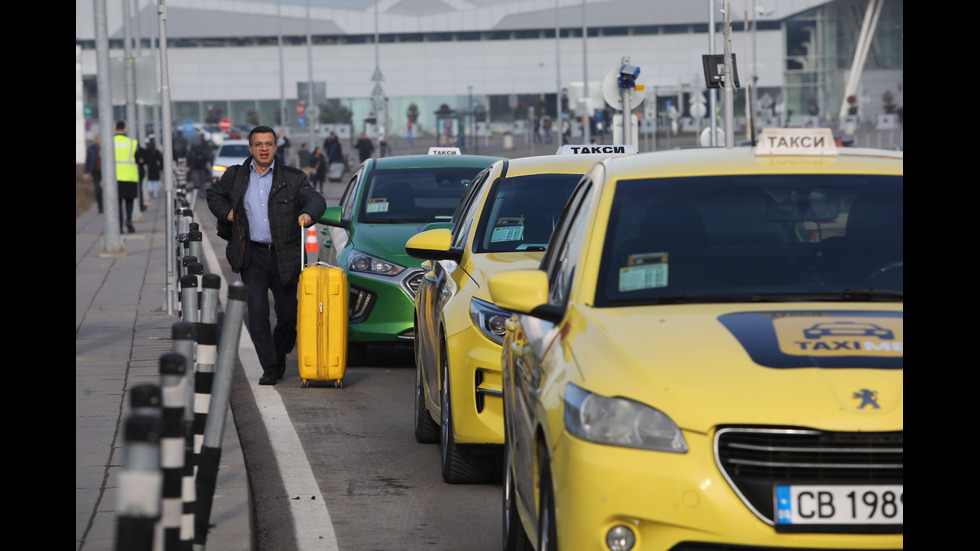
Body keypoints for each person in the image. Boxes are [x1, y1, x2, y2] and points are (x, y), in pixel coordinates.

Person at [206, 125, 327, 386]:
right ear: (250, 148)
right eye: (258, 144)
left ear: (276, 147)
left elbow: (316, 199)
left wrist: (308, 214)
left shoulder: (293, 178)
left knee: (287, 315)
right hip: (252, 254)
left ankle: (279, 353)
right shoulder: (236, 176)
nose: (263, 148)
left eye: (268, 144)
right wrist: (227, 213)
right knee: (258, 312)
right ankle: (270, 366)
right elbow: (213, 194)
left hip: (284, 254)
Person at [113, 120, 140, 234]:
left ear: (115, 129)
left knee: (117, 203)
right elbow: (138, 159)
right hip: (130, 176)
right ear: (125, 129)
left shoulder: (110, 142)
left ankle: (119, 225)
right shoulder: (132, 143)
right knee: (129, 201)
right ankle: (128, 219)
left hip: (115, 177)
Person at [83, 135, 103, 213]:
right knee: (98, 190)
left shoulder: (107, 148)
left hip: (105, 172)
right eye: (98, 139)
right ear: (96, 140)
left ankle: (106, 205)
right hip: (96, 171)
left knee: (105, 189)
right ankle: (100, 207)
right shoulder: (91, 149)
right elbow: (88, 160)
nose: (100, 141)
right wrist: (86, 172)